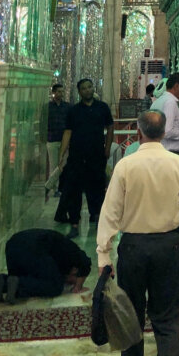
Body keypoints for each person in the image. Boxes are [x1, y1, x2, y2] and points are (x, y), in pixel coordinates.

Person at [97, 109, 179, 356]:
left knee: (130, 318)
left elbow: (109, 213)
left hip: (133, 248)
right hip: (168, 248)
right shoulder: (178, 164)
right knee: (167, 319)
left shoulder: (126, 165)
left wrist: (104, 255)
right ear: (165, 133)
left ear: (138, 133)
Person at [55, 78, 114, 238]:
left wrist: (107, 148)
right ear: (79, 92)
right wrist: (61, 154)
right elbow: (68, 132)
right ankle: (74, 223)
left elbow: (110, 127)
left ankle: (97, 218)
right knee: (74, 190)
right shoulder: (74, 111)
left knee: (96, 189)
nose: (87, 90)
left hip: (96, 156)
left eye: (89, 87)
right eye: (84, 88)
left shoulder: (102, 108)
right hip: (77, 157)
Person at [0, 228, 91, 303]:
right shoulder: (72, 252)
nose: (70, 283)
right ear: (75, 271)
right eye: (74, 281)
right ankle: (18, 285)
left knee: (27, 278)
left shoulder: (58, 260)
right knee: (55, 287)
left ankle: (3, 282)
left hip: (12, 245)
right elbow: (86, 263)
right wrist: (78, 287)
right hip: (33, 247)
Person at [150, 72, 179, 155]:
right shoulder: (170, 102)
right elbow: (167, 131)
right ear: (176, 86)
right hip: (170, 153)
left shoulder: (158, 101)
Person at [45, 83, 69, 198]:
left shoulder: (67, 107)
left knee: (62, 164)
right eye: (59, 91)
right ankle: (55, 190)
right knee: (54, 165)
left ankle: (49, 185)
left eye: (62, 91)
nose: (61, 93)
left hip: (65, 140)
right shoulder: (48, 107)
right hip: (52, 139)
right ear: (53, 93)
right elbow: (43, 123)